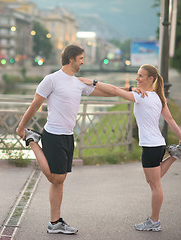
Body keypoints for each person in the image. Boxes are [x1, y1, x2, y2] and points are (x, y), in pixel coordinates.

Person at [79, 64, 181, 232]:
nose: (137, 79)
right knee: (153, 180)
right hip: (157, 144)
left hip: (151, 146)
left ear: (150, 79)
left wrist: (93, 82)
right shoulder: (157, 97)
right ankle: (174, 155)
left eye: (140, 76)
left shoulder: (142, 96)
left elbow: (115, 91)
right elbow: (170, 120)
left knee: (155, 184)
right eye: (137, 75)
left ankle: (154, 221)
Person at [16, 45, 115, 234]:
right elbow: (35, 104)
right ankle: (32, 141)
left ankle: (55, 223)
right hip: (53, 134)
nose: (83, 62)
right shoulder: (51, 80)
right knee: (56, 177)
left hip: (68, 136)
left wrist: (96, 82)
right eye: (81, 58)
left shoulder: (78, 83)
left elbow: (109, 92)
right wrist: (21, 127)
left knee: (59, 182)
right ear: (71, 59)